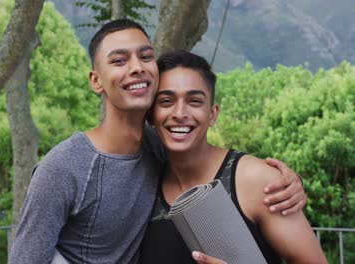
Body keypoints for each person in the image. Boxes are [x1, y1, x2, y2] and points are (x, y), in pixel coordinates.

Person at [9, 19, 306, 264]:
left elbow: (214, 162)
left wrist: (289, 181)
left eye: (146, 56)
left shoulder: (160, 147)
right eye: (119, 60)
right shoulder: (62, 167)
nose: (137, 67)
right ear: (95, 80)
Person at [140, 51, 327, 263]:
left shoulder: (257, 181)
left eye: (194, 101)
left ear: (212, 114)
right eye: (166, 101)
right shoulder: (144, 184)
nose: (180, 113)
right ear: (151, 115)